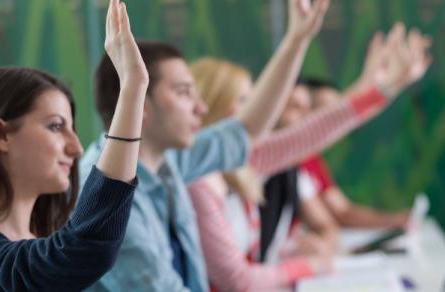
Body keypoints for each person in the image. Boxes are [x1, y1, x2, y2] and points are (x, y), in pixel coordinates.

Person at [79, 0, 332, 290]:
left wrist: (296, 41)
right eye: (184, 92)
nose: (200, 108)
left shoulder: (168, 160)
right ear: (139, 102)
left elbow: (247, 130)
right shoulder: (106, 198)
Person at [187, 22, 432, 291]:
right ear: (209, 107)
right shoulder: (200, 180)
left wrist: (381, 89)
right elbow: (238, 280)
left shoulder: (240, 165)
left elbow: (316, 130)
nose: (257, 110)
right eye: (245, 100)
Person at [0, 0, 148, 290]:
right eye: (55, 126)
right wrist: (132, 86)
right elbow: (81, 251)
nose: (76, 148)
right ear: (1, 136)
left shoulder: (40, 239)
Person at [260, 23, 432, 262]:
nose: (308, 119)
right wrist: (380, 88)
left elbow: (329, 224)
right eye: (296, 108)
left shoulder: (292, 169)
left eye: (310, 111)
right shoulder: (255, 158)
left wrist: (380, 86)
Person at [298, 77, 410, 229]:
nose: (332, 123)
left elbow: (342, 211)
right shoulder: (290, 161)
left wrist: (394, 220)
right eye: (324, 113)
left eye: (335, 114)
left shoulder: (312, 159)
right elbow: (336, 219)